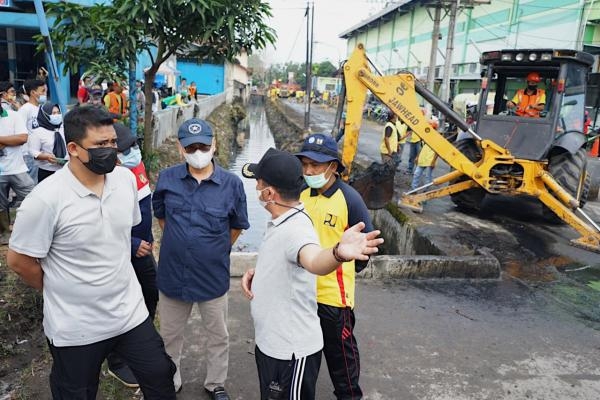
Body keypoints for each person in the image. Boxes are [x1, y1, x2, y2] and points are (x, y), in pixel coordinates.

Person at [6, 106, 176, 399]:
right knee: (77, 392)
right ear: (73, 148)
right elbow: (19, 261)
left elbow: (122, 233)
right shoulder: (45, 200)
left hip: (128, 314)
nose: (110, 150)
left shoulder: (124, 181)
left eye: (112, 142)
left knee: (161, 377)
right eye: (100, 145)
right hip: (76, 327)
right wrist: (62, 286)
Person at [240, 148, 383, 400]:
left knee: (341, 360)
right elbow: (285, 258)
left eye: (258, 185)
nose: (257, 190)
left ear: (269, 193)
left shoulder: (296, 229)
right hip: (272, 344)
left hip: (290, 352)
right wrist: (260, 273)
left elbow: (313, 259)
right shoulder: (282, 218)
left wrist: (338, 253)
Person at [152, 118, 250, 399]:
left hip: (212, 277)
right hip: (173, 276)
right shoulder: (168, 178)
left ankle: (215, 383)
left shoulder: (231, 184)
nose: (198, 151)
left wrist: (213, 248)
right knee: (170, 336)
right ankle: (171, 380)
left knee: (218, 335)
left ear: (214, 145)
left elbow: (236, 226)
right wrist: (181, 243)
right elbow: (162, 216)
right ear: (181, 150)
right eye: (191, 147)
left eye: (203, 145)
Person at [295, 134, 373, 400]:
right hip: (301, 293)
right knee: (304, 359)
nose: (308, 171)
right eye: (305, 164)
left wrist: (344, 269)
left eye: (315, 165)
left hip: (333, 299)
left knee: (341, 360)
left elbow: (365, 251)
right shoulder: (301, 194)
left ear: (333, 165)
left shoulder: (350, 200)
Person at [106, 123, 158, 388]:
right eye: (127, 149)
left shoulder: (134, 169)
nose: (133, 152)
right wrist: (131, 243)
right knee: (120, 307)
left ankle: (137, 348)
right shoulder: (105, 177)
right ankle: (116, 361)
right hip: (122, 252)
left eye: (134, 146)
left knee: (150, 295)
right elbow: (100, 222)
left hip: (143, 250)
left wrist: (146, 240)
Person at [0, 106, 34, 244]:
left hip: (17, 168)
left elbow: (22, 138)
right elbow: (15, 139)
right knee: (0, 204)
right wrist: (8, 140)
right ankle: (5, 234)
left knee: (32, 196)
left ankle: (31, 229)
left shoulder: (13, 116)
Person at [29, 103, 67, 182]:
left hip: (65, 170)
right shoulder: (38, 132)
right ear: (45, 115)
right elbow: (32, 151)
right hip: (47, 171)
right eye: (53, 113)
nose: (57, 115)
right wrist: (46, 157)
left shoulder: (63, 127)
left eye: (58, 112)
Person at [18, 79, 47, 183]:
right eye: (43, 91)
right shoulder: (25, 110)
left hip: (40, 153)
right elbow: (19, 132)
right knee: (31, 184)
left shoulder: (41, 108)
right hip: (28, 153)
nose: (45, 94)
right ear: (33, 93)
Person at [411, 120, 439, 191]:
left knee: (427, 177)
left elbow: (437, 151)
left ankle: (425, 192)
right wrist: (417, 157)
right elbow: (422, 147)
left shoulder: (437, 138)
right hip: (422, 158)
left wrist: (433, 161)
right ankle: (413, 190)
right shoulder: (426, 136)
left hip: (430, 160)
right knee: (416, 174)